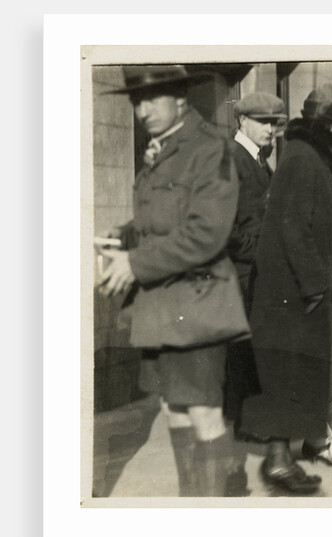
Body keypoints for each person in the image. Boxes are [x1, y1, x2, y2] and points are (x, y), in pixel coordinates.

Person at [96, 65, 241, 497]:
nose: (142, 110)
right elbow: (163, 220)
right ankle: (192, 507)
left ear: (179, 98)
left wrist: (135, 264)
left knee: (203, 415)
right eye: (136, 102)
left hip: (198, 303)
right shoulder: (162, 148)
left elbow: (207, 232)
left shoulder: (208, 148)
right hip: (162, 305)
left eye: (151, 99)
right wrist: (123, 236)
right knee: (174, 409)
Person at [238, 84, 332, 495]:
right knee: (286, 376)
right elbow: (293, 228)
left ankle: (282, 458)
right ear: (329, 127)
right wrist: (315, 285)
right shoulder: (303, 162)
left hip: (293, 292)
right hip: (290, 295)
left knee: (293, 377)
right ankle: (277, 462)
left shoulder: (305, 157)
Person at [222, 91, 287, 496]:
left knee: (250, 354)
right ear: (242, 121)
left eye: (274, 123)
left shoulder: (259, 160)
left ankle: (247, 425)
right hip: (238, 275)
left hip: (256, 274)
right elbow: (225, 230)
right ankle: (237, 440)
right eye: (263, 121)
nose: (270, 129)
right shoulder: (232, 160)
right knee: (240, 356)